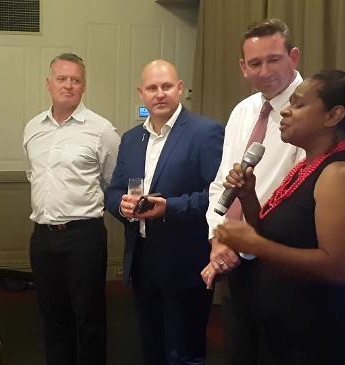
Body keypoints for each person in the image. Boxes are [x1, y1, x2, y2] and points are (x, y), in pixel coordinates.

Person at [213, 69, 345, 364]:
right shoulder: (307, 168)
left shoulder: (343, 174)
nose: (286, 112)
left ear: (333, 116)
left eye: (299, 104)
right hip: (284, 338)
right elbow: (274, 235)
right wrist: (248, 198)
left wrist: (254, 245)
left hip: (323, 344)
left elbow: (338, 268)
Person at [200, 18, 305, 365]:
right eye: (255, 63)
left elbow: (299, 197)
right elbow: (220, 183)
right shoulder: (243, 111)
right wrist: (219, 238)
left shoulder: (310, 113)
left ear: (293, 57)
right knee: (239, 353)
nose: (265, 71)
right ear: (243, 68)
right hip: (236, 263)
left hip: (282, 262)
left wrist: (242, 246)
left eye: (274, 59)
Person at [106, 59, 224, 365]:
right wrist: (121, 205)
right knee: (152, 347)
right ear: (141, 93)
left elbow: (218, 196)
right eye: (152, 88)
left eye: (167, 86)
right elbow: (113, 191)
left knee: (184, 352)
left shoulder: (205, 132)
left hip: (186, 262)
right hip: (142, 259)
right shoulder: (131, 139)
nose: (160, 94)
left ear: (180, 89)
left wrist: (169, 207)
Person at [23, 53, 120, 365]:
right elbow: (33, 175)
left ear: (83, 86)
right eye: (62, 79)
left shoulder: (102, 130)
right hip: (42, 238)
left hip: (84, 237)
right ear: (48, 84)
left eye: (75, 80)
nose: (68, 85)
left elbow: (111, 180)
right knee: (52, 318)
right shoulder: (32, 129)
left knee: (88, 319)